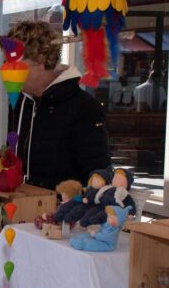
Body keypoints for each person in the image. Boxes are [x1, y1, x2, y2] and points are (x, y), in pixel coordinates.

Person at [6, 21, 112, 189]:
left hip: (62, 211)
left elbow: (98, 176)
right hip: (22, 206)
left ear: (40, 59)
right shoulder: (20, 100)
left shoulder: (84, 108)